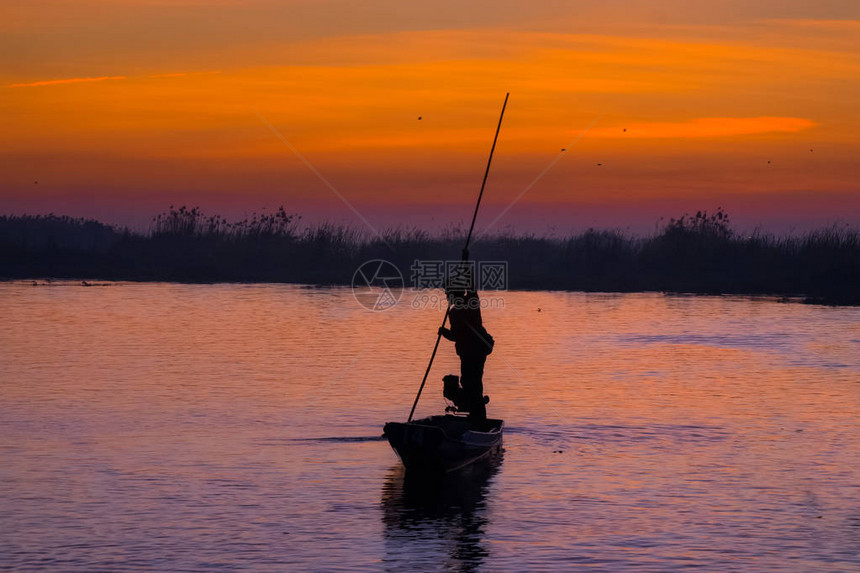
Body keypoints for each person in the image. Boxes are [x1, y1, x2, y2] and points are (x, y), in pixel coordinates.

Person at [438, 287, 494, 422]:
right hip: (466, 353)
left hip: (477, 351)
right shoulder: (453, 312)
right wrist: (444, 332)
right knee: (468, 383)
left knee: (472, 384)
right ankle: (471, 411)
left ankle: (478, 418)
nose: (446, 298)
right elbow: (457, 335)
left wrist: (466, 271)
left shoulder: (471, 302)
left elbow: (472, 289)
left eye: (448, 294)